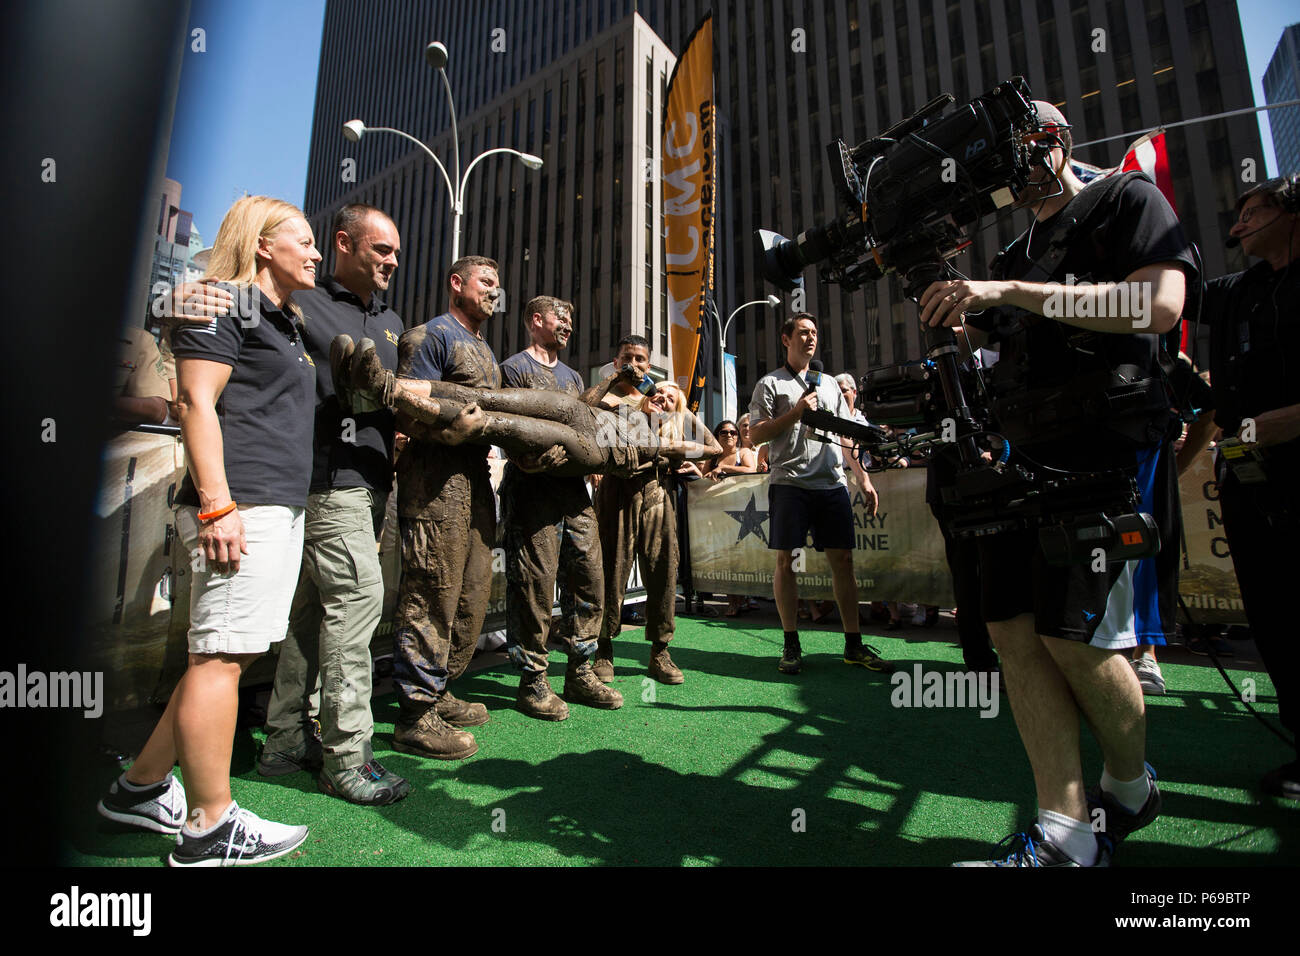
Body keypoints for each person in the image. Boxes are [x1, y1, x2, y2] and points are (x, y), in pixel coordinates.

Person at [919, 102, 1194, 866]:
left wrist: (1006, 293)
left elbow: (1158, 305)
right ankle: (1067, 836)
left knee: (1079, 640)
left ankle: (1130, 785)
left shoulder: (1125, 199)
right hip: (1018, 457)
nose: (1007, 168)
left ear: (1056, 141)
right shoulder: (1016, 245)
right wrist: (960, 307)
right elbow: (998, 338)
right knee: (1012, 631)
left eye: (1016, 148)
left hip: (1100, 454)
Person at [96, 196, 319, 865]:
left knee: (223, 658)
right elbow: (195, 400)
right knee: (219, 659)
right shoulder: (223, 301)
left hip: (273, 504)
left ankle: (138, 789)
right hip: (238, 505)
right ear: (261, 245)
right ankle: (208, 826)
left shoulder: (283, 320)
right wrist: (219, 504)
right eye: (303, 240)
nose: (313, 252)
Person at [254, 203, 409, 804]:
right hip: (327, 483)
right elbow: (235, 307)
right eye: (381, 249)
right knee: (355, 611)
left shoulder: (395, 323)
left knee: (311, 619)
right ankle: (349, 759)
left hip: (371, 489)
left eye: (396, 251)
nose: (393, 260)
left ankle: (286, 741)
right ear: (344, 244)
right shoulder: (298, 303)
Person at [1200, 175, 1300, 799]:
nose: (1239, 225)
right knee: (1275, 613)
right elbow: (1164, 300)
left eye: (1254, 211)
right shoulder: (1236, 293)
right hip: (1249, 480)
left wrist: (1282, 423)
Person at [385, 255, 503, 762]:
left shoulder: (485, 349)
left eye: (498, 285)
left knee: (470, 595)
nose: (494, 291)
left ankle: (441, 689)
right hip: (435, 483)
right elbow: (408, 406)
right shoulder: (429, 337)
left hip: (475, 482)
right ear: (456, 284)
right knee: (432, 594)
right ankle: (414, 714)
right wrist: (449, 430)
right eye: (486, 282)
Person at [497, 295, 624, 719]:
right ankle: (532, 680)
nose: (568, 324)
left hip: (573, 493)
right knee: (535, 585)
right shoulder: (513, 369)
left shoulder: (572, 377)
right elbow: (505, 424)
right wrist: (525, 460)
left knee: (589, 577)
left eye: (571, 317)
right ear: (536, 320)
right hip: (532, 493)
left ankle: (580, 669)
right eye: (560, 317)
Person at [748, 312, 890, 676]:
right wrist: (795, 412)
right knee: (788, 562)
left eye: (814, 332)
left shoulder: (828, 384)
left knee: (843, 561)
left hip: (831, 483)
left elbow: (845, 437)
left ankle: (854, 645)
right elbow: (756, 435)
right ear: (786, 339)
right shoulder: (770, 384)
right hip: (790, 483)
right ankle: (791, 642)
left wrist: (861, 476)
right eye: (803, 332)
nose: (810, 338)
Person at [590, 335, 700, 685]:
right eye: (627, 358)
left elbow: (697, 439)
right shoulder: (607, 396)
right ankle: (603, 646)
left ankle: (660, 651)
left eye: (640, 359)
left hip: (657, 489)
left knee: (664, 567)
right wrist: (635, 408)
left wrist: (687, 458)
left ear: (649, 364)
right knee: (611, 567)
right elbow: (589, 417)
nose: (633, 365)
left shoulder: (659, 400)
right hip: (616, 490)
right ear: (615, 360)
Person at [702, 419, 758, 617]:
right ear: (717, 436)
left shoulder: (743, 453)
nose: (729, 436)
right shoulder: (712, 457)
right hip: (718, 514)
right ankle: (732, 601)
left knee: (743, 557)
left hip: (744, 513)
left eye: (733, 432)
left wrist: (725, 470)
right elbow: (702, 480)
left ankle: (746, 598)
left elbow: (751, 470)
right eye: (724, 432)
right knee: (725, 559)